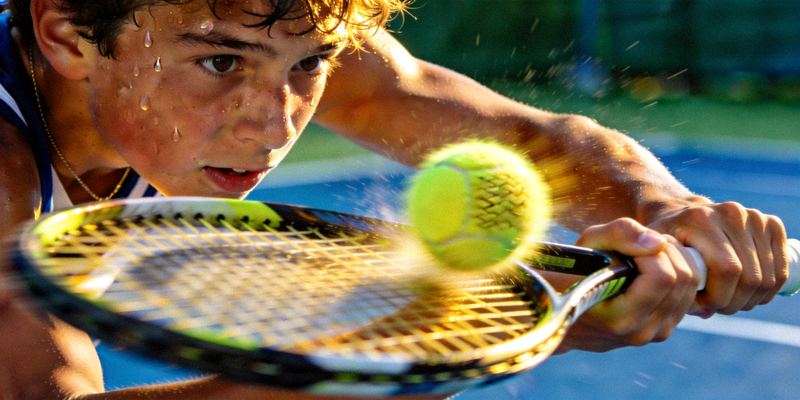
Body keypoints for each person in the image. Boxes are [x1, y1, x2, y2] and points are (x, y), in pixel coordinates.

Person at [0, 0, 788, 399]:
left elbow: (533, 138)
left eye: (309, 67)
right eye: (219, 66)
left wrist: (668, 210)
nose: (275, 127)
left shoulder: (258, 21)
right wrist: (443, 342)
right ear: (67, 33)